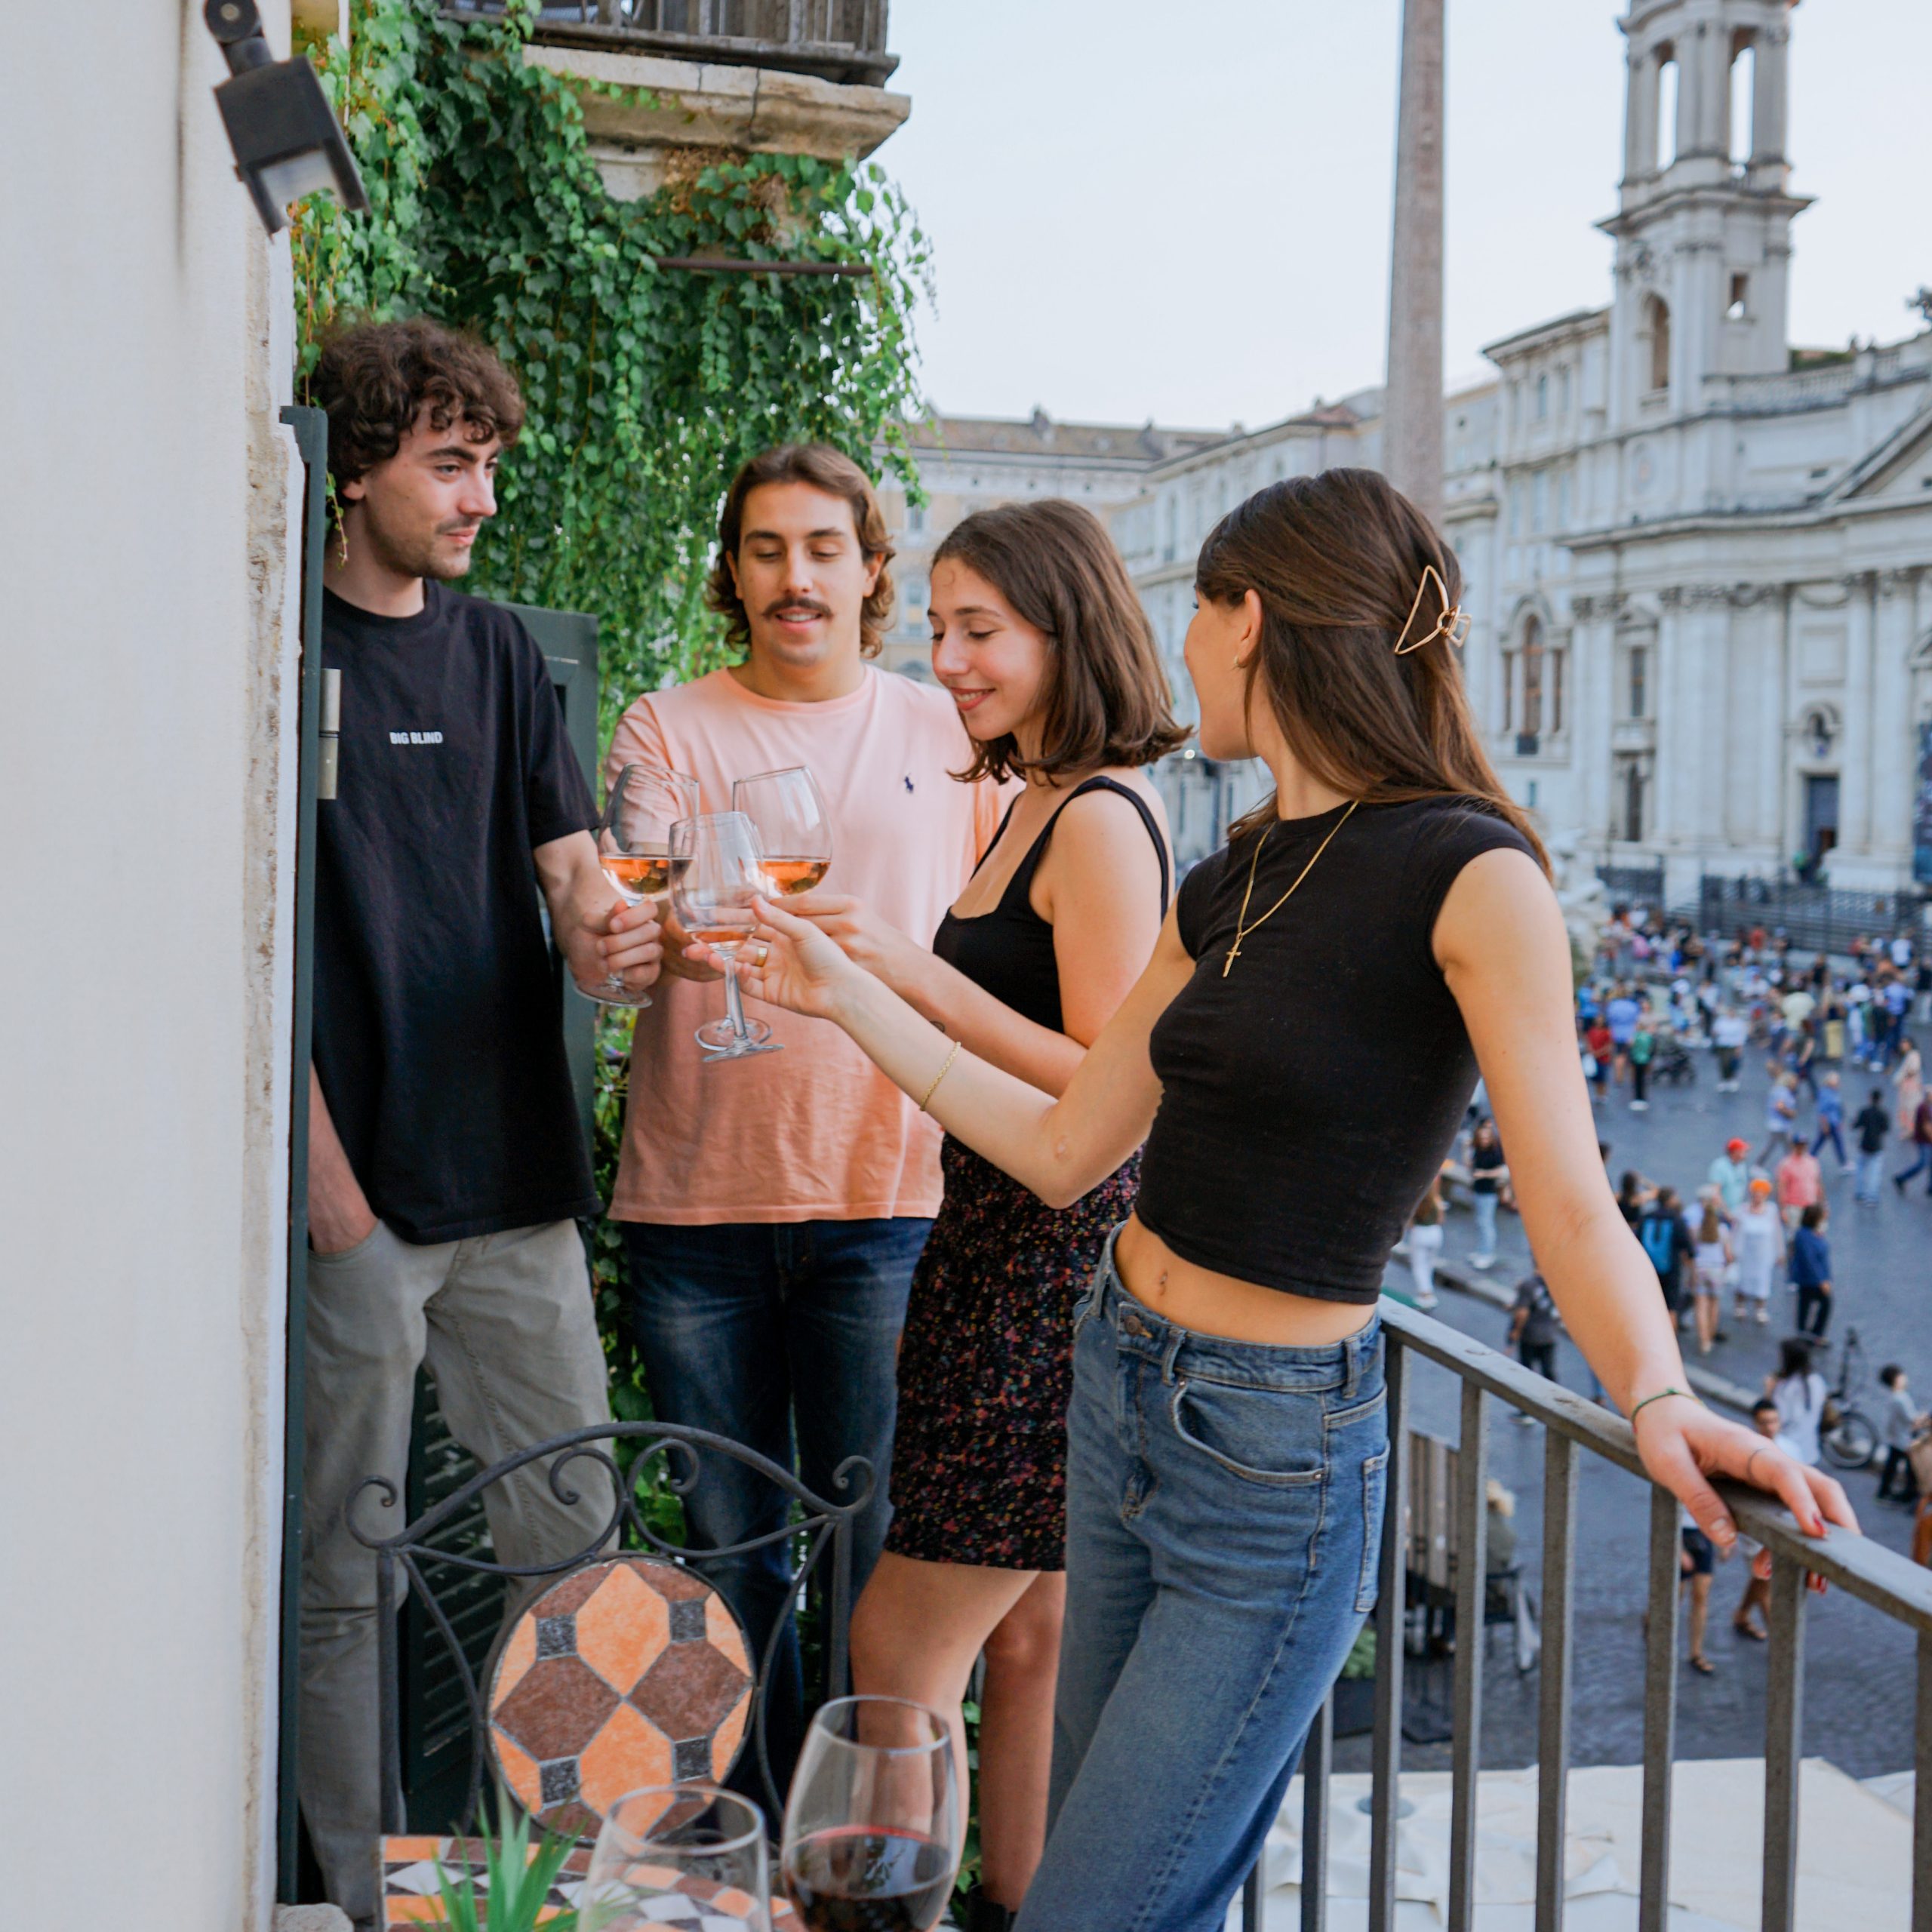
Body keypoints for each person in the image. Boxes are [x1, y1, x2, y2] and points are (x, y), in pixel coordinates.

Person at [716, 467, 1849, 1932]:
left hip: (1268, 1458)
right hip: (1117, 1385)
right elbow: (1065, 1144)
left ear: (1250, 621)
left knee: (1100, 1901)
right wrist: (839, 992)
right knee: (1086, 1877)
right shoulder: (1237, 864)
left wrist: (1655, 1392)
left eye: (1197, 605)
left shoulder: (1471, 869)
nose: (1177, 639)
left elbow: (1565, 1198)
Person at [297, 320, 661, 1920]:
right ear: (356, 464)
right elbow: (236, 946)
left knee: (574, 1557)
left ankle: (561, 1888)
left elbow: (573, 876)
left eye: (489, 464)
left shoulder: (503, 653)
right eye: (451, 464)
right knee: (341, 1582)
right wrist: (329, 1202)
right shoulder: (271, 650)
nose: (479, 499)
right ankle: (365, 1902)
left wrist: (610, 936)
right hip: (355, 1198)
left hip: (512, 1185)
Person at [775, 499, 1180, 1925]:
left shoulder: (1105, 820)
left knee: (896, 1645)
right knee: (1028, 1649)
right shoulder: (1045, 800)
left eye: (980, 630)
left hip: (1042, 1282)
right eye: (939, 626)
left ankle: (882, 1916)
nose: (946, 658)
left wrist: (901, 972)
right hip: (1004, 1262)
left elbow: (1108, 1084)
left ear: (1068, 633)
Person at [605, 443, 1002, 1789]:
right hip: (696, 1211)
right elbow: (637, 897)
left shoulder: (949, 736)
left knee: (879, 1566)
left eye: (823, 548)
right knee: (724, 1563)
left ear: (870, 571)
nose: (795, 576)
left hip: (891, 1208)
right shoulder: (667, 723)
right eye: (767, 549)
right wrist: (655, 927)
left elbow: (1005, 946)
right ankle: (753, 1844)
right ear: (735, 574)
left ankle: (857, 1853)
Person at [1732, 1398, 1789, 1641]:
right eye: (1765, 1422)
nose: (1770, 1427)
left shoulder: (1790, 1448)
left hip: (1782, 1524)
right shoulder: (1746, 1450)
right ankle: (1782, 1642)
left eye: (1774, 1421)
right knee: (1766, 1579)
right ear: (1755, 1423)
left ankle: (1742, 1614)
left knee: (1760, 1581)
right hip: (1755, 1531)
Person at [1637, 1186, 1695, 1328]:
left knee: (1648, 1306)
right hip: (1671, 1270)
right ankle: (1670, 1344)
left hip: (1648, 1269)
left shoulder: (1646, 1218)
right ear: (1670, 1201)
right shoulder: (1676, 1220)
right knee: (1670, 1308)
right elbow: (1688, 1248)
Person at [1767, 1337, 1830, 1468]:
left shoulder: (1784, 1388)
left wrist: (1769, 1392)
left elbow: (1780, 1418)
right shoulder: (1817, 1381)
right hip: (1810, 1451)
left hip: (1787, 1452)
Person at [1507, 1267, 1561, 1416]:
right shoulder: (1557, 1283)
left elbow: (1522, 1313)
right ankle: (1556, 1408)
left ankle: (1525, 1411)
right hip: (1549, 1335)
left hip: (1530, 1335)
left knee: (1526, 1372)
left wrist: (1515, 1332)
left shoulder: (1528, 1285)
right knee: (1549, 1373)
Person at [1732, 1176, 1783, 1326]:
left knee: (1763, 1280)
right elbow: (1735, 1232)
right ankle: (1740, 1305)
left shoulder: (1771, 1210)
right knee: (1742, 1278)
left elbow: (1777, 1232)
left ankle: (1760, 1308)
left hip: (1764, 1254)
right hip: (1745, 1252)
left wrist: (1780, 1252)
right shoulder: (1742, 1210)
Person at [1689, 1194, 1732, 1358]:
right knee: (1714, 1305)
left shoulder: (1697, 1230)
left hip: (1700, 1269)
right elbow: (1728, 1256)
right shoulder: (1723, 1231)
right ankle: (1711, 1335)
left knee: (1701, 1306)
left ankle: (1704, 1341)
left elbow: (1693, 1253)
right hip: (1717, 1270)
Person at [1877, 1365, 1927, 1506]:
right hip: (1904, 1440)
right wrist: (1924, 1418)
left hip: (1897, 1438)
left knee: (1892, 1465)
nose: (1905, 1377)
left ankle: (1886, 1492)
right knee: (1911, 1468)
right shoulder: (1900, 1399)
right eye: (1901, 1375)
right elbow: (1912, 1419)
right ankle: (1907, 1495)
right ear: (1896, 1379)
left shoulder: (1896, 1397)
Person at [1788, 1203, 1833, 1338]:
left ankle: (1804, 1333)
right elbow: (1810, 1260)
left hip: (1812, 1278)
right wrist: (1821, 1280)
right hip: (1810, 1279)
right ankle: (1814, 1334)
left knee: (1805, 1304)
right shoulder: (1804, 1235)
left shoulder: (1813, 1233)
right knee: (1824, 1303)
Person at [1469, 1116, 1508, 1269]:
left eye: (1486, 1137)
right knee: (1480, 1222)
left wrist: (1483, 1174)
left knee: (1486, 1223)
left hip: (1488, 1192)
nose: (1484, 1140)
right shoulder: (1479, 1150)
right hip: (1478, 1189)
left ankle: (1487, 1254)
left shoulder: (1495, 1152)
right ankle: (1481, 1251)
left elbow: (1501, 1171)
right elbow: (1471, 1165)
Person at [1406, 1172, 1446, 1309]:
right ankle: (1429, 1291)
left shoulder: (1416, 1203)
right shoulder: (1437, 1200)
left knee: (1418, 1266)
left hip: (1420, 1233)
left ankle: (1425, 1294)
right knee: (1429, 1263)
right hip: (1436, 1233)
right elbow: (1441, 1219)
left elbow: (1409, 1224)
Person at [1853, 1086, 1891, 1205]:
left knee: (1860, 1169)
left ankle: (1860, 1193)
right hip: (1877, 1145)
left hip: (1865, 1144)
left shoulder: (1865, 1111)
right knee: (1875, 1172)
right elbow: (1886, 1129)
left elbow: (1856, 1125)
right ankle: (1872, 1196)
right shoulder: (1884, 1113)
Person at [1774, 1139, 1823, 1232]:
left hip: (1811, 1207)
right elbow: (1781, 1187)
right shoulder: (1786, 1164)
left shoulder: (1812, 1162)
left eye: (1803, 1145)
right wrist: (1783, 1209)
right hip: (1794, 1207)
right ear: (1794, 1146)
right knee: (1795, 1237)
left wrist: (1823, 1205)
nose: (1801, 1148)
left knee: (1815, 1235)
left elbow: (1818, 1183)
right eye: (1799, 1145)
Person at [1810, 1069, 1847, 1171]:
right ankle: (1843, 1163)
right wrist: (1824, 1125)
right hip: (1829, 1123)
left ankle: (1810, 1158)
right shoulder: (1825, 1093)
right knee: (1834, 1143)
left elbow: (1839, 1108)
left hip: (1834, 1122)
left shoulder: (1834, 1092)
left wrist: (1840, 1121)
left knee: (1825, 1142)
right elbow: (1822, 1111)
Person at [1760, 1069, 1798, 1165]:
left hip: (1777, 1125)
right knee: (1785, 1147)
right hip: (1780, 1125)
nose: (1796, 1083)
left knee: (1779, 1146)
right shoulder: (1783, 1092)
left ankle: (1792, 1165)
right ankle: (1758, 1165)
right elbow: (1780, 1106)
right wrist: (1790, 1113)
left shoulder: (1778, 1090)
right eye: (1794, 1081)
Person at [1606, 983, 1640, 1088]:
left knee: (1619, 1056)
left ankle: (1619, 1077)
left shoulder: (1613, 1006)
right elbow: (1637, 1021)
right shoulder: (1633, 1006)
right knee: (1631, 1058)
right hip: (1630, 1034)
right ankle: (1632, 1079)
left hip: (1617, 1033)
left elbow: (1609, 1021)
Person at [1898, 1094, 1932, 1197]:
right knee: (1922, 1164)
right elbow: (1926, 1127)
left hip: (1927, 1140)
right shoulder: (1924, 1108)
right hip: (1925, 1141)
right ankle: (1901, 1178)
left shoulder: (1927, 1107)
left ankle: (1930, 1187)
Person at [1707, 1137, 1752, 1213]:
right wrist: (1727, 1213)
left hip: (1737, 1212)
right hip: (1722, 1214)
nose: (1746, 1154)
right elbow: (1716, 1193)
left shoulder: (1741, 1166)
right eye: (1744, 1151)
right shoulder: (1720, 1166)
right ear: (1736, 1152)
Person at [1896, 1035, 1925, 1141]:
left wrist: (1903, 1075)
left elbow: (1913, 1069)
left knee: (1911, 1110)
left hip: (1912, 1089)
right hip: (1905, 1088)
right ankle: (1909, 1130)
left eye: (1904, 1043)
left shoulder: (1914, 1055)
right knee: (1905, 1109)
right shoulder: (1908, 1055)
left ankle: (1911, 1131)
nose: (1902, 1045)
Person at [1628, 1012, 1656, 1111]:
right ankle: (1643, 1099)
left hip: (1637, 1060)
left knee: (1637, 1081)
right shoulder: (1648, 1036)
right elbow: (1652, 1049)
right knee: (1643, 1080)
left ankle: (1638, 1098)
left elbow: (1631, 1045)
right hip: (1645, 1060)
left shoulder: (1637, 1036)